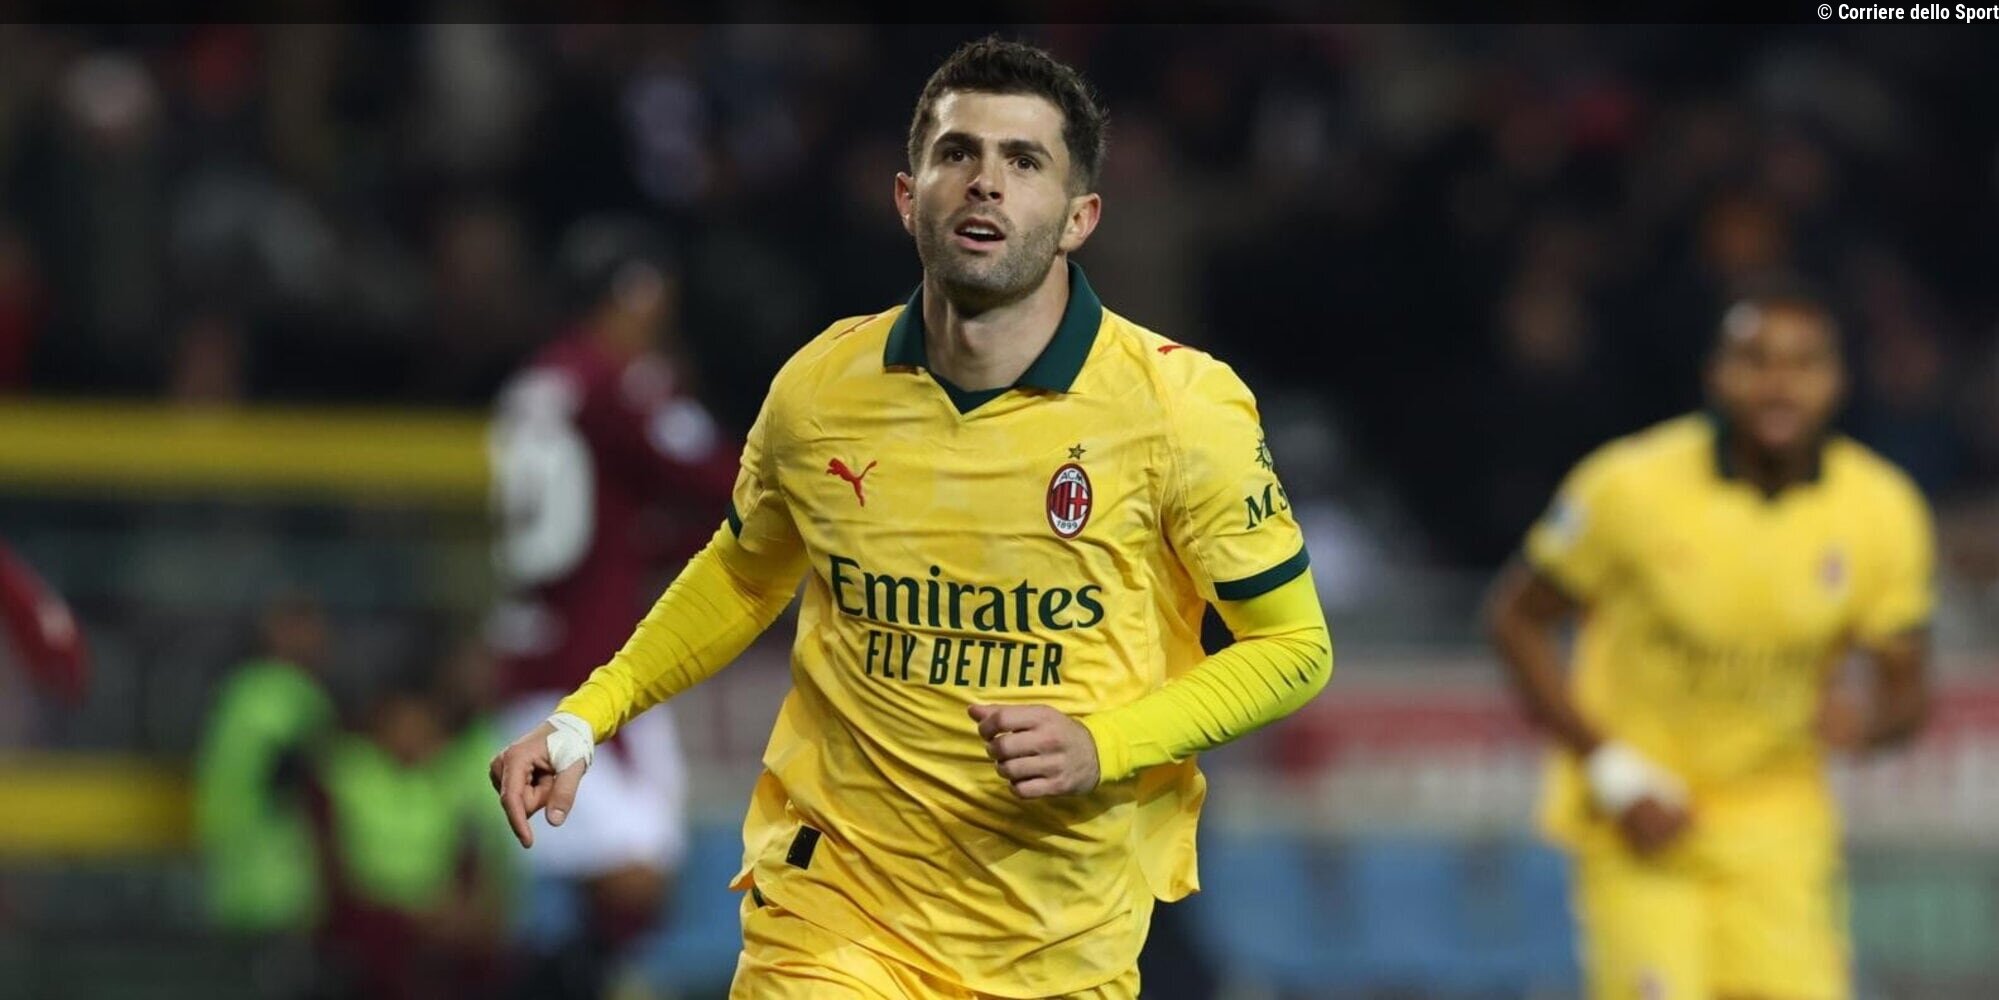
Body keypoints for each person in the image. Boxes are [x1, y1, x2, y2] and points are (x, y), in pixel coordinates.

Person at [491, 35, 1333, 1000]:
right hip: (834, 907)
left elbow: (1293, 648)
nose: (985, 182)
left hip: (1061, 930)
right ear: (907, 196)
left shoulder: (1181, 408)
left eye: (1024, 162)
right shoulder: (820, 389)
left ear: (1078, 218)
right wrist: (585, 718)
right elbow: (742, 573)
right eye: (957, 153)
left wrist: (1106, 744)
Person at [1485, 287, 1935, 1000]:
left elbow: (1906, 689)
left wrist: (1868, 726)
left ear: (1838, 380)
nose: (1779, 383)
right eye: (1755, 361)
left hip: (1778, 830)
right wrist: (1613, 773)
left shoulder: (1881, 510)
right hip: (1644, 820)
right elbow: (1514, 619)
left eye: (1804, 363)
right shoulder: (1629, 486)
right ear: (1715, 376)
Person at [485, 213, 737, 997]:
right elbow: (716, 477)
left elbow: (610, 518)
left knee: (613, 886)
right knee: (635, 876)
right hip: (584, 667)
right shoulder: (615, 381)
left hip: (542, 646)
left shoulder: (539, 381)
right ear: (632, 293)